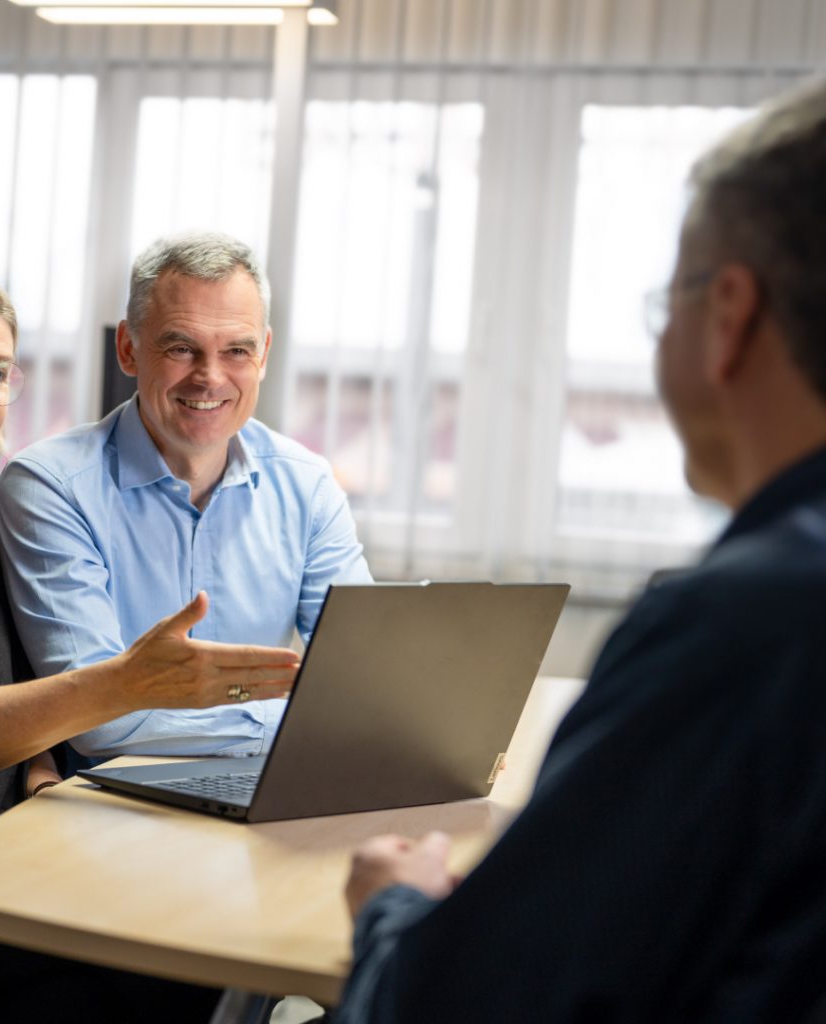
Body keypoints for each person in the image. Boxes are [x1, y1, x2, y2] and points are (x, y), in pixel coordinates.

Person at [334, 78, 826, 1022]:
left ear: (729, 316)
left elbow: (455, 1004)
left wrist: (391, 908)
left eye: (666, 303)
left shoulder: (740, 628)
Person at [0, 264, 300, 1019]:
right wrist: (125, 683)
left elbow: (26, 717)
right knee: (165, 963)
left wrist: (53, 799)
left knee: (211, 924)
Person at [0, 232, 371, 762]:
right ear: (128, 349)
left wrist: (339, 718)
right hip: (106, 800)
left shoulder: (307, 486)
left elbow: (365, 683)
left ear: (263, 353)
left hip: (263, 791)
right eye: (181, 348)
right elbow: (95, 720)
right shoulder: (51, 486)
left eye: (236, 350)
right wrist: (306, 722)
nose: (209, 377)